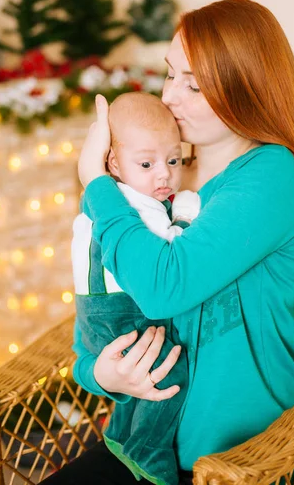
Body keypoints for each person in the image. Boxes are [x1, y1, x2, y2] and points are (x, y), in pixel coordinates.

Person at [43, 0, 294, 485]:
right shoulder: (162, 174)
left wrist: (95, 182)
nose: (169, 98)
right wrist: (100, 375)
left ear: (247, 90)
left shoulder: (273, 174)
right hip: (143, 440)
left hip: (241, 458)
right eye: (169, 75)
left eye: (194, 84)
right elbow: (104, 301)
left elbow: (165, 287)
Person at [71, 92, 201, 485]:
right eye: (146, 163)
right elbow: (172, 257)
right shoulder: (135, 206)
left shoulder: (102, 200)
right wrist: (186, 213)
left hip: (95, 310)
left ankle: (121, 435)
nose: (163, 174)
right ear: (113, 163)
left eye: (173, 161)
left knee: (142, 373)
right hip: (121, 308)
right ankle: (147, 449)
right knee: (169, 368)